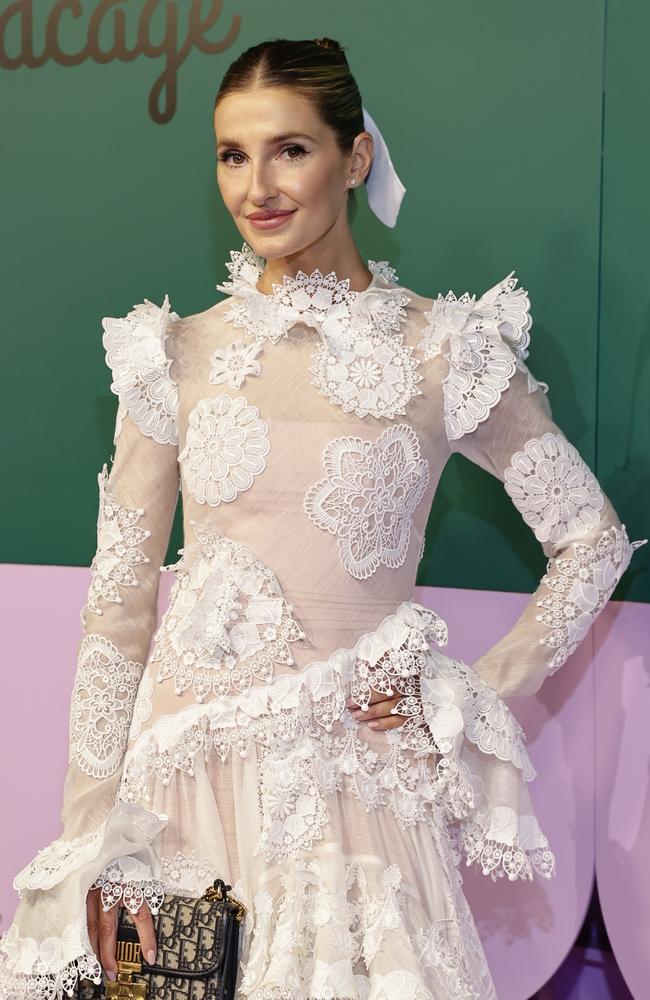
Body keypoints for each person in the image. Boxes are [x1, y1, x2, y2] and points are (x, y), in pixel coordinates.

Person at [0, 35, 646, 1000]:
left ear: (356, 157)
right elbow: (118, 610)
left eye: (289, 149)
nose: (256, 185)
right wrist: (92, 836)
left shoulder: (446, 351)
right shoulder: (171, 355)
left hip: (353, 804)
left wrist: (471, 693)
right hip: (177, 805)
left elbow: (591, 540)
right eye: (230, 154)